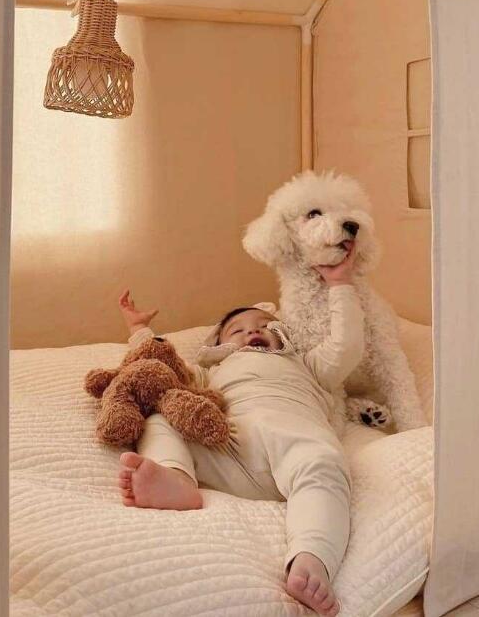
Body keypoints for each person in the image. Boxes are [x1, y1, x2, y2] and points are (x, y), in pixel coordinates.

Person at [116, 246, 362, 617]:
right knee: (164, 414)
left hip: (293, 441)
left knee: (324, 464)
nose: (253, 332)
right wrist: (139, 329)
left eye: (265, 326)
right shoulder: (211, 372)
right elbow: (159, 366)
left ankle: (311, 557)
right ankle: (176, 477)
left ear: (284, 335)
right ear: (217, 346)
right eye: (238, 330)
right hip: (228, 449)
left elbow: (348, 345)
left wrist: (340, 283)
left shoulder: (308, 365)